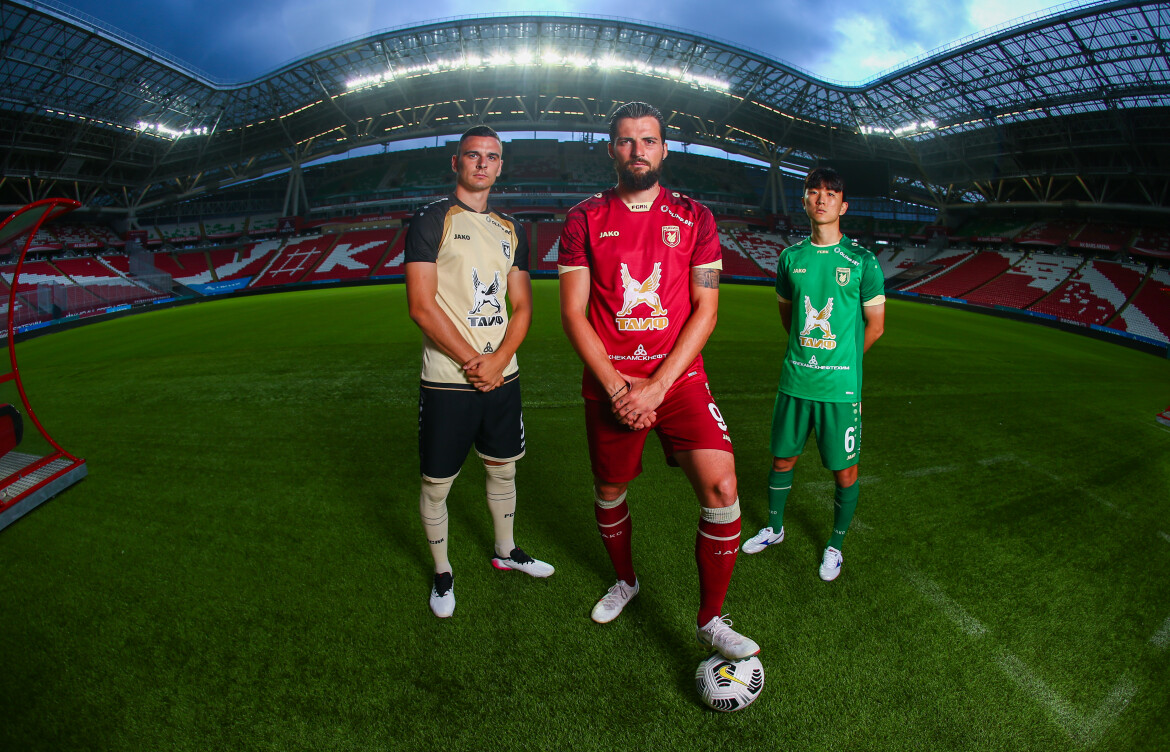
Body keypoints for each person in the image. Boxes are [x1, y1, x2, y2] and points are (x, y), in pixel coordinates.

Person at [558, 102, 758, 660]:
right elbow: (573, 313)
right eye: (626, 141)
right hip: (612, 382)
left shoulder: (696, 217)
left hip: (679, 379)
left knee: (722, 489)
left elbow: (706, 311)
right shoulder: (583, 218)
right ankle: (625, 581)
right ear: (611, 150)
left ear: (664, 149)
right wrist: (620, 389)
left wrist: (656, 387)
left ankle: (711, 619)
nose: (637, 150)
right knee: (610, 490)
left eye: (648, 140)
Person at [405, 125, 553, 619]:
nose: (482, 163)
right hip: (449, 381)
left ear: (501, 165)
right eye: (473, 155)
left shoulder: (511, 229)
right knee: (437, 484)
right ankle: (442, 571)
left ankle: (506, 550)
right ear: (456, 162)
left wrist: (498, 360)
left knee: (503, 468)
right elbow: (421, 306)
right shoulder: (432, 219)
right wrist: (477, 362)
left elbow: (523, 306)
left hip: (503, 378)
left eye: (491, 156)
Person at [741, 167, 886, 582]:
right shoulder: (791, 258)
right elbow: (789, 320)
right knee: (782, 458)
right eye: (814, 192)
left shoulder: (862, 261)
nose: (822, 199)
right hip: (796, 382)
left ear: (844, 205)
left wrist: (842, 362)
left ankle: (835, 545)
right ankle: (774, 528)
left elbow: (876, 326)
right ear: (804, 201)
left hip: (840, 389)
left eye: (831, 193)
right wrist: (810, 355)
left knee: (845, 471)